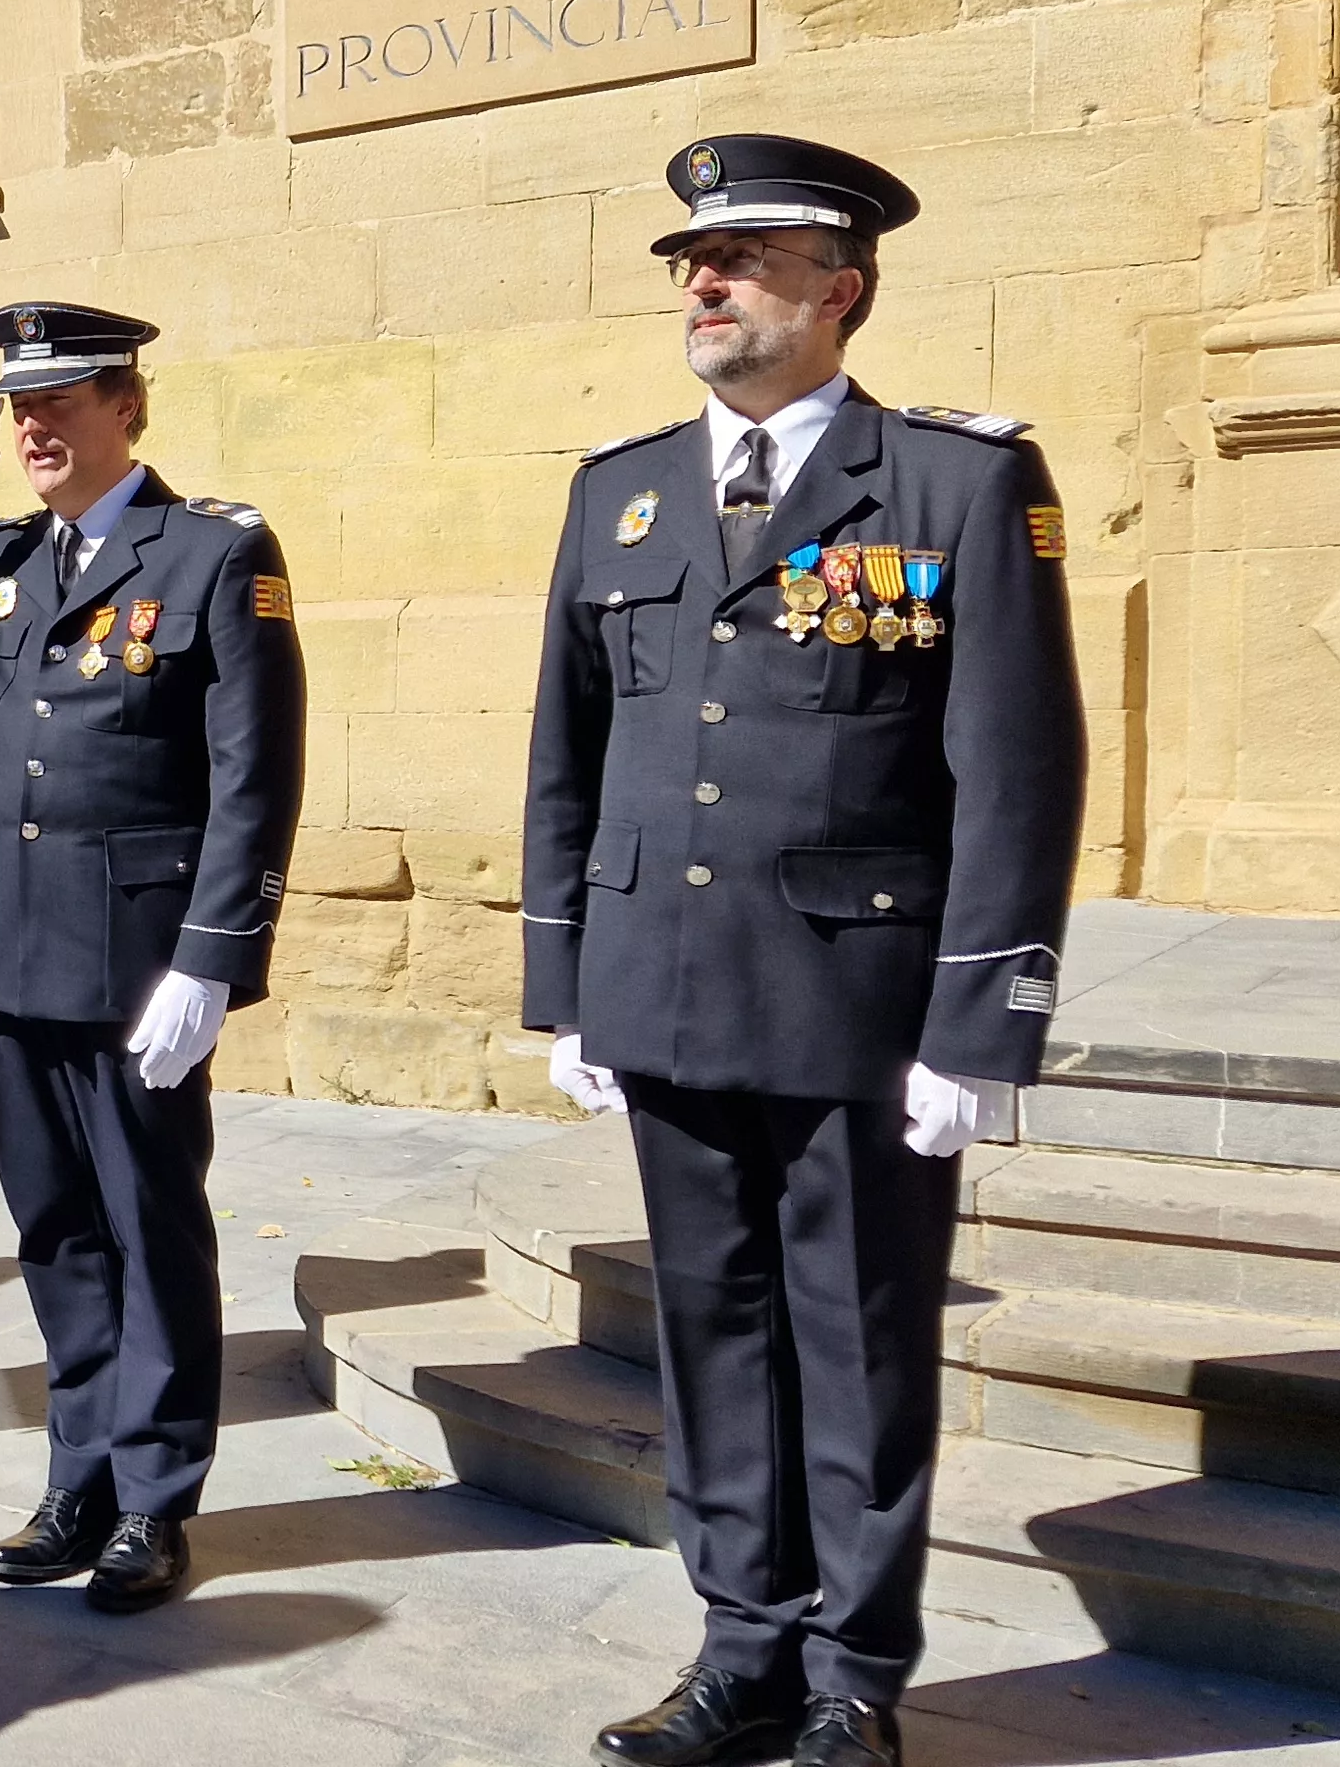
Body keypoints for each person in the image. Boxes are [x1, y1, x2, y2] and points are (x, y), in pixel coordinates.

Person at [526, 137, 1083, 1767]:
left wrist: (980, 1019)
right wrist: (568, 980)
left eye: (744, 258)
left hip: (857, 1002)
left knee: (856, 1341)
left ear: (838, 288)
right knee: (709, 1330)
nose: (700, 282)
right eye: (689, 261)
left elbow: (1015, 762)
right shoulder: (614, 490)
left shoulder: (958, 483)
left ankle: (854, 1673)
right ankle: (739, 1651)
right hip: (668, 987)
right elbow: (568, 753)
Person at [0, 304, 307, 1614]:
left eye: (63, 398)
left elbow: (256, 775)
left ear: (127, 407)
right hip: (3, 946)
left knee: (148, 1225)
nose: (31, 423)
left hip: (139, 959)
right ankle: (78, 1471)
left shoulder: (210, 552)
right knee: (54, 1229)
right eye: (16, 405)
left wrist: (215, 957)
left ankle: (152, 1495)